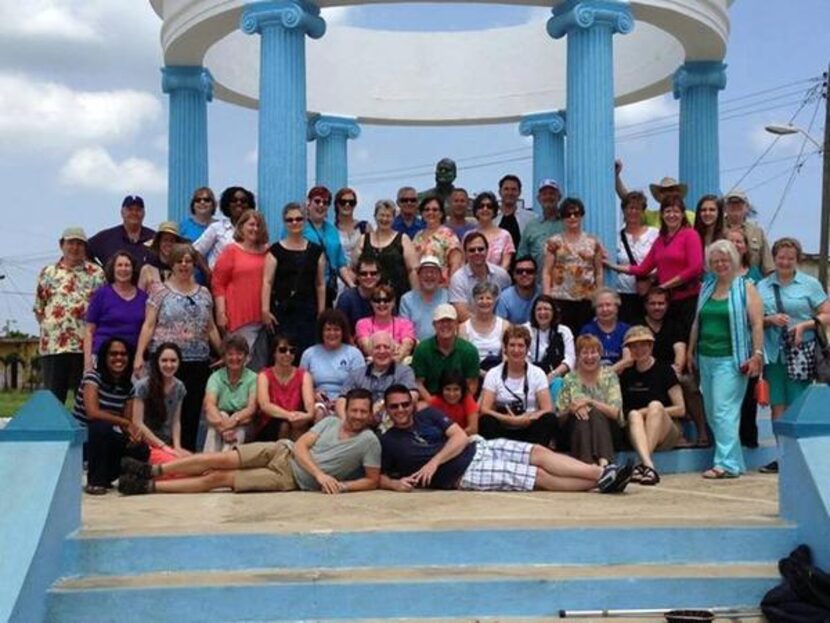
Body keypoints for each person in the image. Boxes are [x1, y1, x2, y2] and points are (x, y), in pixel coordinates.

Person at [118, 388, 381, 495]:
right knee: (219, 458)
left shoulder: (369, 442)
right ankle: (153, 469)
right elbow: (301, 445)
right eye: (354, 410)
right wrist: (320, 474)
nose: (358, 416)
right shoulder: (331, 422)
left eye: (363, 411)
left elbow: (372, 479)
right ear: (348, 409)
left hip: (290, 479)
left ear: (370, 414)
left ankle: (149, 487)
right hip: (283, 451)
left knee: (219, 478)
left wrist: (342, 486)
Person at [379, 384, 632, 493]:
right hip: (464, 474)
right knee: (538, 477)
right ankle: (603, 480)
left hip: (477, 448)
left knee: (538, 452)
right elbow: (378, 475)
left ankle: (602, 474)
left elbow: (458, 437)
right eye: (394, 407)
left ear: (411, 404)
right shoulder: (388, 440)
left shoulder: (429, 415)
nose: (401, 410)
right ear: (387, 410)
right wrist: (394, 485)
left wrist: (433, 462)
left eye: (404, 405)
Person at [134, 243, 222, 451]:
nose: (184, 265)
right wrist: (139, 355)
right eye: (179, 261)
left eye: (188, 261)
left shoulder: (204, 293)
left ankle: (187, 455)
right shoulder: (159, 291)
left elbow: (210, 327)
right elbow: (148, 325)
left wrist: (223, 352)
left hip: (197, 361)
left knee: (191, 412)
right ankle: (161, 454)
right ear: (171, 264)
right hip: (165, 361)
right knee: (162, 411)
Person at [688, 240, 764, 479]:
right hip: (706, 357)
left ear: (734, 261)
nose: (720, 264)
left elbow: (757, 324)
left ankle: (726, 464)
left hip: (732, 359)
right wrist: (690, 352)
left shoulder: (746, 287)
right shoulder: (707, 287)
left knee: (723, 410)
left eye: (724, 260)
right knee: (713, 412)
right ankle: (735, 462)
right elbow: (697, 322)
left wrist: (757, 355)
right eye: (715, 261)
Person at [757, 237, 830, 473]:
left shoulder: (809, 284)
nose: (785, 262)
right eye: (781, 257)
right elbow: (754, 319)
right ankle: (782, 456)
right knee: (777, 404)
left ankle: (800, 455)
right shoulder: (762, 286)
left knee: (798, 402)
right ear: (774, 258)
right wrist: (769, 320)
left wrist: (805, 326)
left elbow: (827, 313)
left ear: (796, 259)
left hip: (801, 352)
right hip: (774, 353)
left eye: (790, 258)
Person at [606, 196, 704, 338]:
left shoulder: (690, 235)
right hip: (668, 301)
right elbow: (643, 268)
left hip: (688, 299)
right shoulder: (660, 240)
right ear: (662, 215)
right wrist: (612, 266)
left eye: (676, 211)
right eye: (667, 211)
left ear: (682, 214)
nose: (671, 215)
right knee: (673, 339)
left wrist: (666, 285)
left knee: (690, 336)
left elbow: (695, 267)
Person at [34, 227, 105, 403]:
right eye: (71, 243)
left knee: (85, 400)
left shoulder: (97, 273)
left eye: (79, 243)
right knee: (53, 400)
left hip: (85, 348)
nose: (75, 247)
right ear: (62, 245)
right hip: (54, 347)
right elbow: (39, 308)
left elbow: (103, 309)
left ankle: (85, 431)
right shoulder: (48, 272)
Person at [73, 338, 146, 495]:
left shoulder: (128, 387)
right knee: (101, 426)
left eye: (123, 354)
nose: (119, 358)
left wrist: (134, 436)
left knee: (140, 448)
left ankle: (114, 478)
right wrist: (125, 423)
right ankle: (95, 482)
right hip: (84, 441)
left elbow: (126, 424)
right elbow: (93, 413)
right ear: (104, 357)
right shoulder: (92, 377)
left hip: (104, 438)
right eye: (113, 354)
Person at [637, 287, 708, 447]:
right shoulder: (638, 325)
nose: (657, 307)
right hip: (645, 371)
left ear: (667, 305)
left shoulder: (674, 325)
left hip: (669, 372)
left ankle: (702, 433)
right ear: (646, 305)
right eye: (653, 303)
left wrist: (674, 369)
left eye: (661, 303)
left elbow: (680, 351)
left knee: (689, 383)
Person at [619, 326, 685, 486]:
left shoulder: (664, 370)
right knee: (633, 415)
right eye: (634, 346)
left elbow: (681, 409)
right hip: (637, 428)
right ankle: (648, 466)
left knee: (655, 406)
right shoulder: (626, 375)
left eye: (643, 345)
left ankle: (642, 463)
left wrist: (647, 411)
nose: (639, 350)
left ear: (651, 346)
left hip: (665, 428)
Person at [261, 202, 325, 360]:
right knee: (280, 355)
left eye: (298, 218)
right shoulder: (275, 251)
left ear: (305, 220)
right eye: (290, 220)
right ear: (284, 222)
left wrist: (321, 312)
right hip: (281, 313)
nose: (294, 223)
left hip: (308, 314)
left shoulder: (316, 251)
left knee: (306, 356)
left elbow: (320, 284)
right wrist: (265, 310)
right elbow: (267, 282)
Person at [478, 325, 558, 447]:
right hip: (503, 427)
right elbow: (485, 409)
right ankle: (500, 453)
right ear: (505, 348)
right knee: (486, 421)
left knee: (549, 419)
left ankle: (533, 453)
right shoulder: (493, 374)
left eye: (521, 346)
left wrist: (528, 418)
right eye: (512, 345)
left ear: (527, 349)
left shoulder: (537, 373)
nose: (516, 350)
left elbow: (547, 408)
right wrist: (511, 420)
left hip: (529, 426)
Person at [211, 209, 270, 371]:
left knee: (257, 368)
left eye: (258, 225)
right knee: (237, 363)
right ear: (241, 226)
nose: (255, 229)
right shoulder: (231, 250)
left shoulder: (267, 252)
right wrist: (221, 313)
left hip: (261, 318)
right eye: (251, 224)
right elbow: (218, 283)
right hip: (238, 316)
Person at [556, 334, 624, 466]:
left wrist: (590, 402)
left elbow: (616, 413)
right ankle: (595, 466)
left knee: (593, 412)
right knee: (581, 417)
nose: (589, 357)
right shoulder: (569, 379)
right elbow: (559, 417)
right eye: (584, 353)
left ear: (600, 354)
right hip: (575, 432)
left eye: (593, 352)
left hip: (609, 432)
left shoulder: (610, 376)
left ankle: (600, 464)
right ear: (578, 356)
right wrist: (571, 409)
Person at [542, 197, 603, 336]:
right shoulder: (554, 242)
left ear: (581, 216)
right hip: (560, 298)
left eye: (576, 213)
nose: (572, 217)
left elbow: (598, 272)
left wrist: (599, 296)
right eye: (568, 214)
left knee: (586, 337)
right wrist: (547, 297)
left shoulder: (593, 241)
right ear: (563, 218)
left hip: (586, 299)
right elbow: (547, 271)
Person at [337, 331, 418, 428]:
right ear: (370, 352)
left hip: (394, 425)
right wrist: (346, 422)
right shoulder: (356, 374)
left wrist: (381, 406)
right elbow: (342, 399)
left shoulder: (404, 372)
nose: (382, 351)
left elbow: (412, 395)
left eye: (386, 347)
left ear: (393, 350)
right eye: (377, 347)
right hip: (360, 425)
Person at [84, 251, 147, 372]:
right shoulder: (101, 295)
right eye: (119, 265)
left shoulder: (144, 298)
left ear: (133, 269)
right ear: (113, 269)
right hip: (103, 356)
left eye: (127, 265)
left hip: (132, 358)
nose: (123, 269)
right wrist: (88, 363)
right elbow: (89, 330)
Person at [132, 342, 189, 466]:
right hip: (146, 445)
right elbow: (137, 423)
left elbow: (176, 421)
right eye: (164, 360)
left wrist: (177, 447)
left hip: (168, 444)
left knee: (197, 463)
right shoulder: (142, 386)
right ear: (157, 362)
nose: (169, 365)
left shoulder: (179, 387)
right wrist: (162, 446)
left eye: (173, 360)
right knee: (179, 466)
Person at [300, 309, 365, 416]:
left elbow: (360, 385)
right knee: (319, 412)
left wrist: (342, 400)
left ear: (343, 332)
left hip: (347, 401)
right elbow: (301, 384)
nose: (332, 333)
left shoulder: (354, 354)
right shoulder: (309, 354)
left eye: (336, 329)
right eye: (328, 329)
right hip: (317, 403)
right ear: (321, 331)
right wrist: (314, 394)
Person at [202, 333, 259, 452]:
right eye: (230, 354)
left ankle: (223, 465)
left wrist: (234, 420)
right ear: (224, 357)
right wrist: (223, 428)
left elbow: (251, 409)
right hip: (219, 421)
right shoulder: (215, 377)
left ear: (246, 356)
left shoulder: (254, 378)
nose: (235, 358)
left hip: (243, 422)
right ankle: (209, 463)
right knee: (218, 419)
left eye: (239, 354)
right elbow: (210, 405)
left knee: (238, 430)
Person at [411, 304, 480, 401]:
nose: (445, 325)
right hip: (431, 399)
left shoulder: (469, 350)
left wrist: (457, 405)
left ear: (456, 324)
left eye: (449, 321)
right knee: (419, 408)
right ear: (434, 325)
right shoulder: (422, 349)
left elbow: (472, 385)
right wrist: (434, 403)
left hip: (460, 400)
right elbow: (418, 383)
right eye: (441, 321)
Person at [356, 199, 418, 302]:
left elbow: (412, 270)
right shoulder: (363, 239)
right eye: (381, 215)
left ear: (394, 218)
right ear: (375, 216)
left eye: (388, 216)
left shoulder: (403, 239)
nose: (384, 219)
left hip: (398, 296)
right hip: (369, 297)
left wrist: (415, 297)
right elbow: (354, 267)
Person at [255, 334, 315, 442]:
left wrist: (306, 415)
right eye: (282, 350)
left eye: (292, 351)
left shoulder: (304, 375)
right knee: (285, 425)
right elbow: (264, 405)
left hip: (296, 421)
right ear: (274, 353)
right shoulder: (264, 375)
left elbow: (309, 405)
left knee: (298, 426)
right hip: (270, 424)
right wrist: (288, 415)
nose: (288, 354)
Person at [304, 186, 355, 307]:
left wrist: (352, 286)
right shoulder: (298, 226)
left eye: (325, 202)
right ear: (308, 203)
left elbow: (340, 263)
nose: (321, 205)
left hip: (327, 288)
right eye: (317, 201)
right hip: (305, 287)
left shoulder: (332, 230)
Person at [615, 191, 659, 323]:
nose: (633, 212)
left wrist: (650, 279)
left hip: (649, 294)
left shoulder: (654, 234)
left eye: (637, 208)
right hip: (623, 293)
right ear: (624, 210)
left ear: (643, 211)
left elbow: (662, 261)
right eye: (630, 208)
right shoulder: (616, 236)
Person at [448, 232, 511, 323]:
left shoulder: (501, 275)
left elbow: (509, 302)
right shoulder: (458, 279)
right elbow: (462, 314)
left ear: (487, 250)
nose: (477, 252)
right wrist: (484, 327)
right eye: (472, 250)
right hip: (471, 329)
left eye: (480, 249)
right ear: (465, 253)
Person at [523, 294, 575, 402]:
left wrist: (552, 375)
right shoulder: (525, 329)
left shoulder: (564, 331)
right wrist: (538, 379)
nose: (542, 313)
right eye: (539, 309)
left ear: (553, 312)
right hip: (530, 376)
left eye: (546, 309)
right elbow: (523, 358)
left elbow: (570, 359)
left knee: (559, 384)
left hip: (556, 377)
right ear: (534, 312)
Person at [193, 186, 256, 268]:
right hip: (220, 278)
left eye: (243, 201)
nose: (239, 203)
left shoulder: (254, 229)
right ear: (227, 204)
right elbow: (196, 251)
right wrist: (207, 272)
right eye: (234, 200)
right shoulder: (217, 228)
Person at [88, 195, 157, 268]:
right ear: (122, 212)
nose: (134, 213)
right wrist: (98, 270)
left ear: (143, 213)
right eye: (130, 209)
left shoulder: (154, 238)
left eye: (138, 210)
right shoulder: (106, 237)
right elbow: (84, 250)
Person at [355, 284, 417, 362]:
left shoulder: (405, 324)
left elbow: (406, 347)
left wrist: (393, 360)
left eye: (386, 300)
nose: (382, 304)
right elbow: (367, 348)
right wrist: (394, 347)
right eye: (377, 300)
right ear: (371, 303)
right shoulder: (362, 324)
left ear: (393, 302)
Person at [459, 282, 509, 372]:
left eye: (488, 298)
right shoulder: (463, 328)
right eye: (480, 298)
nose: (484, 302)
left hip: (498, 374)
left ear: (494, 300)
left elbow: (507, 356)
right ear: (474, 300)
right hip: (472, 374)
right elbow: (463, 359)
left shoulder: (504, 326)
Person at [517, 179, 563, 275]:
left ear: (559, 197)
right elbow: (522, 257)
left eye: (552, 193)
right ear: (538, 198)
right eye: (544, 194)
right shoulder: (531, 226)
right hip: (538, 285)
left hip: (564, 283)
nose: (548, 197)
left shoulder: (568, 223)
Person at [723, 189, 774, 277]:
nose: (735, 206)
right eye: (731, 203)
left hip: (752, 281)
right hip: (722, 281)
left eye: (739, 203)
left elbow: (768, 266)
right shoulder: (716, 228)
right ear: (725, 207)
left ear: (746, 207)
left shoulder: (757, 232)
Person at [399, 256, 451, 341]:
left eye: (433, 272)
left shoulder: (448, 296)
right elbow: (405, 330)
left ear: (440, 276)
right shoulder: (406, 299)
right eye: (425, 272)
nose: (429, 275)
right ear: (418, 276)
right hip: (416, 348)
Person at [579, 288, 631, 371]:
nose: (604, 309)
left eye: (608, 305)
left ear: (616, 307)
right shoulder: (588, 330)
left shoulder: (626, 330)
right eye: (600, 306)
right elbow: (584, 359)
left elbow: (628, 360)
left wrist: (606, 374)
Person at [412, 195, 463, 278]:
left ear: (441, 214)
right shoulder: (417, 236)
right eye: (427, 209)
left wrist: (451, 285)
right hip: (421, 285)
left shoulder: (448, 235)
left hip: (442, 285)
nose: (430, 212)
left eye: (435, 210)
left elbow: (455, 264)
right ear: (422, 213)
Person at [138, 221, 187, 293]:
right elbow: (139, 298)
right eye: (165, 240)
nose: (168, 244)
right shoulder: (147, 270)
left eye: (172, 240)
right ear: (159, 243)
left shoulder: (182, 268)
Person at [336, 255, 382, 331]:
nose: (368, 277)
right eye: (364, 274)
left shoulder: (386, 297)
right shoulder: (346, 298)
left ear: (379, 276)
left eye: (373, 273)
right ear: (357, 276)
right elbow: (341, 328)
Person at [472, 191, 515, 271]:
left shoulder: (505, 235)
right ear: (476, 211)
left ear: (494, 211)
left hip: (498, 281)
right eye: (481, 206)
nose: (485, 209)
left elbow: (506, 264)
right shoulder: (469, 236)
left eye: (489, 206)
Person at [430, 369, 479, 435]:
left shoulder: (467, 399)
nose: (451, 394)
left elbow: (473, 429)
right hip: (441, 439)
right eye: (447, 389)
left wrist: (456, 437)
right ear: (441, 389)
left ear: (462, 390)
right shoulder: (434, 402)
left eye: (456, 389)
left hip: (465, 436)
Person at [334, 187, 372, 274]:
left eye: (351, 202)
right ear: (337, 204)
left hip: (362, 278)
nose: (347, 205)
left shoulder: (364, 227)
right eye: (343, 202)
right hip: (338, 278)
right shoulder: (331, 230)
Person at [495, 256, 541, 325]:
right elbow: (500, 326)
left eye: (529, 271)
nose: (524, 274)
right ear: (513, 275)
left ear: (536, 274)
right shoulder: (504, 298)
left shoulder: (543, 293)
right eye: (519, 271)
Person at [496, 174, 534, 249]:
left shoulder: (531, 218)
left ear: (519, 192)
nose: (510, 193)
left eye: (513, 189)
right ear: (500, 192)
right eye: (506, 189)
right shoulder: (493, 219)